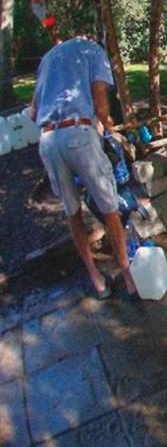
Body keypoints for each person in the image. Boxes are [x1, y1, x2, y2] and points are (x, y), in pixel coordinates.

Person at [31, 34, 137, 299]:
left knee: (72, 212)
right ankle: (128, 276)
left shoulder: (48, 58)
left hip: (47, 139)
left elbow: (33, 112)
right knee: (110, 208)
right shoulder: (93, 51)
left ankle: (97, 280)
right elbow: (101, 104)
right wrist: (109, 130)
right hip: (78, 134)